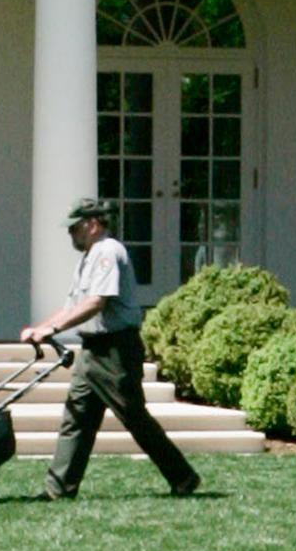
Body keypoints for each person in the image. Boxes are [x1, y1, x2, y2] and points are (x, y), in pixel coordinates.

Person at [20, 198, 201, 501]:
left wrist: (52, 330)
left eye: (75, 228)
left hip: (115, 351)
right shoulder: (88, 257)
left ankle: (183, 476)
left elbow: (95, 302)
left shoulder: (108, 252)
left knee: (134, 417)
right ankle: (58, 488)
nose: (71, 235)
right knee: (75, 417)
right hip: (92, 350)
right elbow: (73, 306)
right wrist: (40, 328)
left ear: (92, 225)